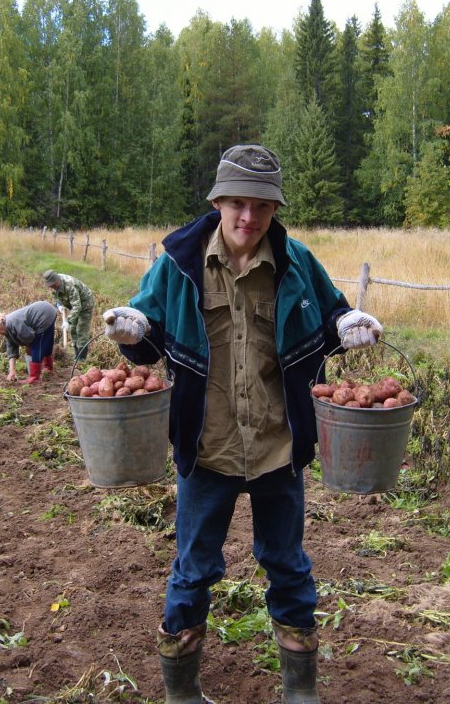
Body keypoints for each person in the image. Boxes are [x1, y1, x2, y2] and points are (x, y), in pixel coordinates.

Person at [103, 144, 383, 704]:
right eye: (236, 203)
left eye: (260, 205)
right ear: (217, 201)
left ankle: (299, 692)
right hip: (207, 448)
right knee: (193, 568)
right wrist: (132, 332)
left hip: (279, 445)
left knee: (289, 566)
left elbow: (330, 319)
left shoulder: (298, 263)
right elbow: (145, 337)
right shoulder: (177, 264)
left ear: (275, 208)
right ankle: (182, 694)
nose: (248, 218)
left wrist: (349, 323)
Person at [0, 301, 57, 384]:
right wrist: (12, 371)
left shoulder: (13, 322)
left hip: (44, 314)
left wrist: (29, 349)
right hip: (49, 311)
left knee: (37, 346)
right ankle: (48, 369)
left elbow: (30, 338)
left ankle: (34, 377)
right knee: (46, 343)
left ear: (0, 324)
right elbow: (11, 349)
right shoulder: (7, 328)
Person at [42, 269, 96, 361]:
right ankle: (76, 355)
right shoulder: (54, 286)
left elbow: (77, 307)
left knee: (81, 330)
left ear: (57, 280)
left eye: (54, 285)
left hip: (85, 304)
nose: (53, 287)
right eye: (51, 286)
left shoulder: (70, 286)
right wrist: (59, 305)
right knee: (73, 329)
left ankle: (81, 359)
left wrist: (68, 320)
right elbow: (56, 297)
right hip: (74, 305)